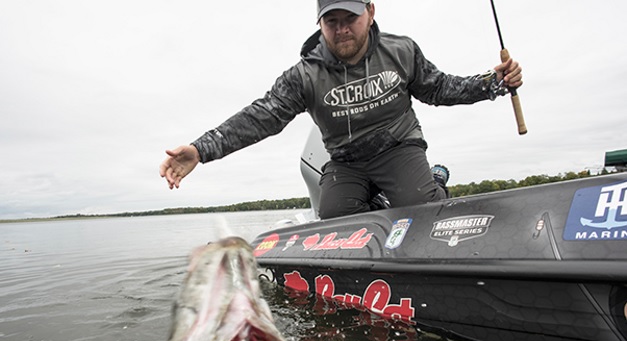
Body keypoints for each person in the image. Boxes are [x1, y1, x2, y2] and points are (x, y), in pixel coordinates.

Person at [159, 0, 523, 219]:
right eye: (331, 21)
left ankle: (436, 183)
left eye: (349, 17)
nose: (342, 29)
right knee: (333, 216)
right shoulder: (304, 75)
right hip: (346, 161)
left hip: (399, 148)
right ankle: (378, 199)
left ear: (370, 11)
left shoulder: (402, 51)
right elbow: (261, 116)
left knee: (419, 207)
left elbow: (440, 88)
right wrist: (201, 149)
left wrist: (491, 83)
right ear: (320, 24)